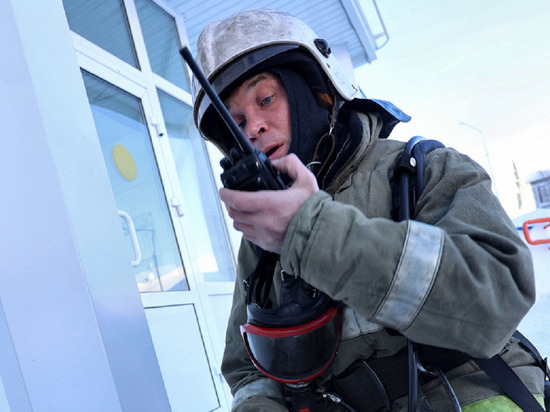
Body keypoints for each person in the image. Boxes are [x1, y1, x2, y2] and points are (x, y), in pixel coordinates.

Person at [190, 9, 546, 412]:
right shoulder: (261, 244)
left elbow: (497, 299)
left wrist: (312, 233)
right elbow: (247, 370)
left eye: (266, 99)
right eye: (236, 121)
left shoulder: (421, 170)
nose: (252, 127)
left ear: (314, 91)